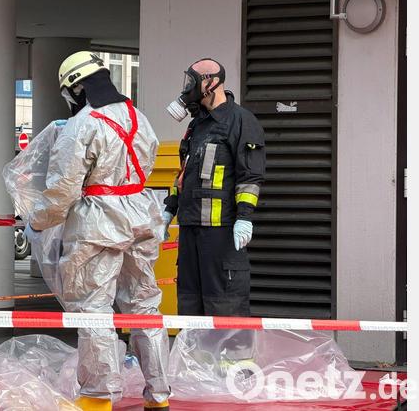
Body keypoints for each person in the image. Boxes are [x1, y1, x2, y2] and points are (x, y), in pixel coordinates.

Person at [25, 51, 170, 411]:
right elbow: (146, 164)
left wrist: (38, 221)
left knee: (94, 310)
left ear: (77, 88)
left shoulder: (83, 125)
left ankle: (98, 397)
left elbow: (63, 188)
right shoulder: (139, 116)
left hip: (98, 222)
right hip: (140, 214)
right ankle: (160, 394)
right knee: (145, 307)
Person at [162, 58, 266, 317]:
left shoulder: (241, 121)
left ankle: (232, 358)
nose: (188, 88)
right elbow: (183, 175)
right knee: (189, 302)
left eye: (192, 82)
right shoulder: (197, 124)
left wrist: (244, 218)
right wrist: (168, 212)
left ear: (211, 82)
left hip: (221, 233)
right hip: (190, 231)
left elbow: (250, 177)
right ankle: (194, 358)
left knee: (224, 303)